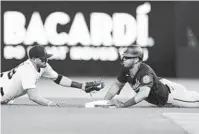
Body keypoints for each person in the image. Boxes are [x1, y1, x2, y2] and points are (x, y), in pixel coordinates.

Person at [0, 45, 104, 107]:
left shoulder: (42, 65)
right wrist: (50, 103)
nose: (45, 60)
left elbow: (58, 78)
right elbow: (33, 96)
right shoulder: (27, 71)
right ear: (33, 59)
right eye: (42, 58)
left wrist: (80, 85)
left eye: (46, 57)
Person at [103, 45, 199, 108]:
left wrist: (124, 105)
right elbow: (116, 85)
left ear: (137, 59)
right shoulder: (126, 69)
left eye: (127, 57)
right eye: (123, 57)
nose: (124, 59)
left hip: (171, 96)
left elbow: (143, 94)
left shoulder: (145, 72)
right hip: (163, 84)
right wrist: (104, 102)